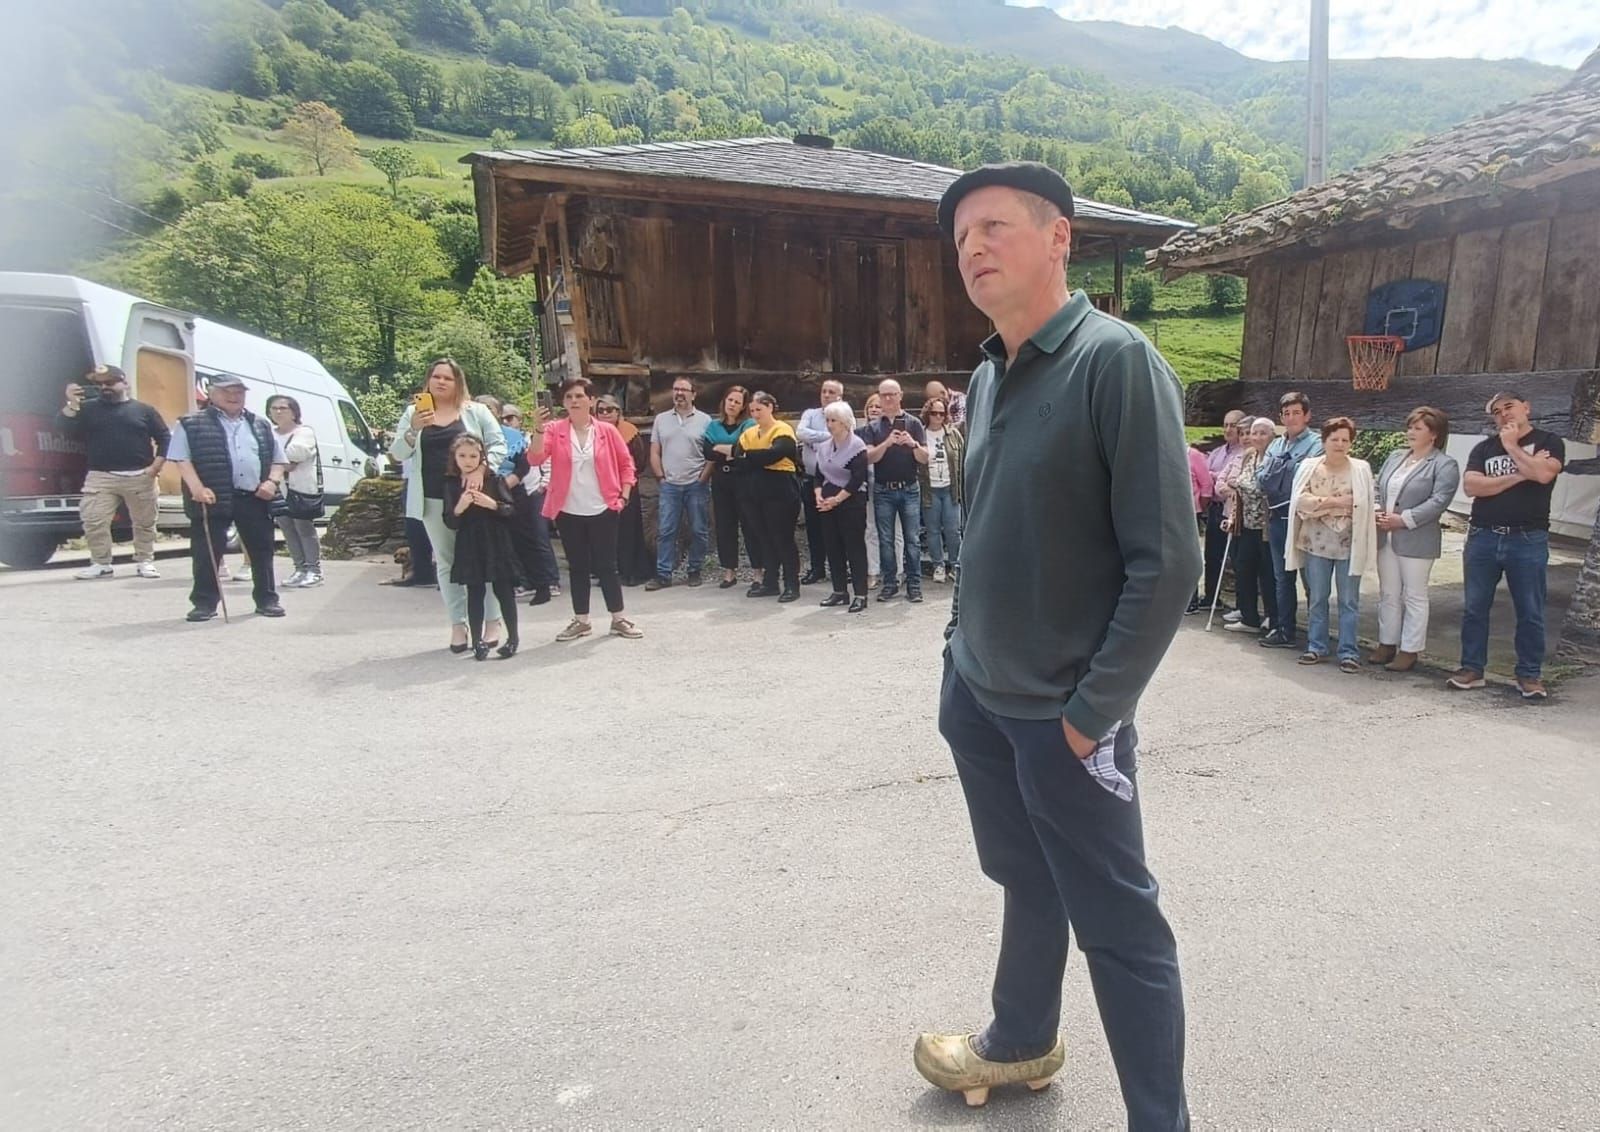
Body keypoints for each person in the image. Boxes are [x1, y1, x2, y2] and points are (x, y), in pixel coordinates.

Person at [918, 162, 1198, 1126]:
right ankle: (1020, 1040)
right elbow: (988, 520)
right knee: (1021, 874)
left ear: (1060, 238)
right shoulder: (989, 373)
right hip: (980, 696)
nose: (974, 249)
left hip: (1064, 718)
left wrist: (1092, 717)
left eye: (995, 227)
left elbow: (1166, 562)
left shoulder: (1115, 361)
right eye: (961, 238)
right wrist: (959, 650)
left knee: (1121, 929)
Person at [1449, 392, 1566, 698]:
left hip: (1527, 538)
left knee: (1530, 609)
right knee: (1475, 607)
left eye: (1509, 407)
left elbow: (1543, 474)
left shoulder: (1549, 442)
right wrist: (1520, 474)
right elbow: (1473, 486)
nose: (1504, 415)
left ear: (1526, 407)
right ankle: (1472, 668)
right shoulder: (1484, 447)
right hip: (1483, 535)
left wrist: (1513, 446)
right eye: (1497, 412)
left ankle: (1528, 674)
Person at [388, 358, 507, 653]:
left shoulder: (475, 412)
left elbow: (499, 444)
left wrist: (482, 469)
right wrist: (413, 429)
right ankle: (458, 624)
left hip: (471, 494)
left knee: (483, 557)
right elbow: (397, 454)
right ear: (428, 380)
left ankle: (493, 620)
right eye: (436, 377)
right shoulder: (413, 413)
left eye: (448, 378)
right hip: (432, 498)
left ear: (458, 383)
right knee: (447, 562)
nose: (441, 382)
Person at [528, 378, 643, 642]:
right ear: (563, 402)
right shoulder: (554, 430)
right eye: (569, 397)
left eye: (580, 396)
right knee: (578, 567)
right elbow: (534, 458)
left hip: (603, 507)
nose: (575, 401)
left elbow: (627, 465)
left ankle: (618, 618)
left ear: (591, 400)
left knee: (607, 566)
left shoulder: (606, 431)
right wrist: (537, 430)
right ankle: (581, 620)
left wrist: (623, 496)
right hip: (568, 510)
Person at [167, 374, 287, 622]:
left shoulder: (260, 424)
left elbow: (278, 460)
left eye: (239, 392)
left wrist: (271, 482)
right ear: (211, 393)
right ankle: (204, 603)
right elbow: (182, 459)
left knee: (262, 550)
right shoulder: (191, 423)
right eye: (227, 392)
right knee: (207, 551)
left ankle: (267, 599)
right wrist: (197, 488)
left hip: (253, 495)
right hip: (212, 496)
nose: (234, 397)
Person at [59, 363, 171, 580]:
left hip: (140, 475)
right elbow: (63, 428)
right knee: (93, 519)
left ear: (124, 383)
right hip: (100, 475)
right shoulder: (88, 408)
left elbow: (165, 438)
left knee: (144, 522)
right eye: (99, 384)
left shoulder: (144, 410)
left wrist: (155, 467)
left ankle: (145, 560)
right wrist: (71, 403)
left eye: (110, 383)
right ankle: (101, 562)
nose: (104, 388)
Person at [1370, 407, 1461, 671]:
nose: (1410, 432)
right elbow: (1378, 486)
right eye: (1410, 426)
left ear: (1433, 434)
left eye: (1418, 428)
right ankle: (1386, 642)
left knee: (1414, 595)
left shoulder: (1444, 464)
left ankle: (1410, 649)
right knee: (1388, 592)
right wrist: (1378, 510)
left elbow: (1440, 500)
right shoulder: (1396, 456)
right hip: (1385, 535)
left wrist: (1403, 519)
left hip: (1416, 538)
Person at [1285, 417, 1376, 671]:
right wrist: (1335, 502)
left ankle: (1348, 651)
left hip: (1349, 543)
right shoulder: (1310, 466)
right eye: (1334, 439)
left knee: (1349, 599)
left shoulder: (1360, 469)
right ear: (1324, 440)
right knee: (1318, 596)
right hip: (1316, 542)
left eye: (1345, 440)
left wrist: (1321, 504)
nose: (1339, 444)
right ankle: (1317, 646)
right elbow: (1301, 501)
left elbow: (1362, 504)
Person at [442, 434, 521, 660]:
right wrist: (461, 506)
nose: (468, 461)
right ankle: (477, 640)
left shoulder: (494, 480)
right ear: (454, 458)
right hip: (470, 541)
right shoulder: (450, 483)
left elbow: (510, 511)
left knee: (503, 591)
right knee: (475, 591)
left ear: (481, 457)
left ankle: (513, 638)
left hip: (496, 540)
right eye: (462, 456)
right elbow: (450, 520)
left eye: (473, 456)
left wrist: (493, 504)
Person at [1256, 391, 1323, 649]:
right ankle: (1284, 629)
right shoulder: (1275, 445)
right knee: (1282, 577)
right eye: (1286, 413)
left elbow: (1306, 479)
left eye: (1296, 412)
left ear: (1307, 415)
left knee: (1310, 578)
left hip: (1304, 518)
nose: (1291, 417)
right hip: (1277, 517)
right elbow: (1262, 479)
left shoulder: (1316, 444)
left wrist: (1280, 473)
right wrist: (1284, 471)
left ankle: (1316, 636)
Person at [861, 378, 929, 602]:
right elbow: (869, 457)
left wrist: (913, 444)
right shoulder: (872, 427)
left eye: (892, 394)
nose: (888, 399)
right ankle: (890, 583)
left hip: (909, 488)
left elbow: (925, 458)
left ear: (901, 396)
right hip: (883, 489)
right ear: (879, 397)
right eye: (884, 395)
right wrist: (887, 443)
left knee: (912, 539)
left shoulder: (914, 423)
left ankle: (914, 586)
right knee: (886, 539)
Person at [732, 391, 801, 601]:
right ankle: (771, 582)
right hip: (754, 492)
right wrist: (759, 458)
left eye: (759, 410)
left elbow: (779, 452)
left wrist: (750, 457)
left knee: (783, 537)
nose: (755, 414)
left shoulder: (783, 429)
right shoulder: (749, 433)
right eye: (752, 410)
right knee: (764, 538)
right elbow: (737, 459)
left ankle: (791, 584)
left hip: (780, 489)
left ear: (770, 407)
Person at [647, 378, 712, 590]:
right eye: (676, 389)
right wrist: (660, 477)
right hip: (670, 485)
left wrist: (703, 477)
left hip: (696, 484)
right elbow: (655, 451)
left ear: (694, 394)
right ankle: (663, 574)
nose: (679, 393)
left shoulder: (705, 420)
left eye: (684, 390)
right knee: (666, 530)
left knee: (699, 529)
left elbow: (711, 454)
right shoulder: (661, 420)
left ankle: (694, 570)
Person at [1222, 418, 1279, 635]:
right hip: (1245, 524)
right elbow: (1237, 487)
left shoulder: (1274, 459)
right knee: (1244, 568)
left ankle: (1273, 618)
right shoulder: (1249, 456)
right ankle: (1249, 617)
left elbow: (1266, 488)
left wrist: (1238, 485)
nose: (1256, 437)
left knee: (1268, 573)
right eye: (1254, 433)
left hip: (1266, 526)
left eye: (1263, 433)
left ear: (1272, 436)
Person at [813, 400, 870, 612]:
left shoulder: (857, 447)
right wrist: (819, 495)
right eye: (827, 420)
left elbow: (857, 479)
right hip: (827, 503)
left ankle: (861, 594)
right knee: (832, 547)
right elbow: (818, 475)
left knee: (854, 548)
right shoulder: (824, 447)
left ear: (845, 422)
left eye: (833, 420)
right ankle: (839, 591)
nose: (829, 424)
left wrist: (837, 499)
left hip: (851, 503)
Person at [702, 385, 760, 588]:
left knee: (750, 525)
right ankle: (729, 571)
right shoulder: (713, 425)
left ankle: (757, 573)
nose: (732, 404)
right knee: (725, 526)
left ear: (743, 406)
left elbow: (745, 450)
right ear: (724, 401)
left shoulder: (749, 424)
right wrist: (731, 451)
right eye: (730, 400)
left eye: (737, 402)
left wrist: (726, 450)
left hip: (743, 479)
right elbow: (708, 452)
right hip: (721, 481)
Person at [265, 395, 323, 589]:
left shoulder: (304, 432)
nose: (278, 412)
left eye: (283, 408)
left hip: (299, 489)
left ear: (294, 411)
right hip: (277, 489)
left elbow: (295, 456)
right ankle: (299, 568)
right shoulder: (270, 433)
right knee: (287, 529)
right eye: (274, 408)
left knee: (303, 528)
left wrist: (275, 458)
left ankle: (314, 570)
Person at [598, 395, 654, 587]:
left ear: (618, 412)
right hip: (601, 490)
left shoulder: (629, 432)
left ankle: (631, 571)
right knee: (606, 534)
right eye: (601, 410)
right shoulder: (592, 433)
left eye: (610, 410)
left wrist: (624, 483)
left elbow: (639, 459)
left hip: (626, 488)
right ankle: (610, 572)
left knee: (628, 531)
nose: (605, 414)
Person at [505, 421, 562, 606]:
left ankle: (545, 583)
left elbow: (526, 466)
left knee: (532, 539)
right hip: (488, 490)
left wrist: (503, 486)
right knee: (506, 543)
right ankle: (518, 582)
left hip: (520, 492)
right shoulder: (471, 434)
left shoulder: (515, 438)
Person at [795, 379, 845, 585]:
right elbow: (800, 433)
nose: (826, 395)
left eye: (831, 392)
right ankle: (817, 568)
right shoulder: (810, 414)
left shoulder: (845, 415)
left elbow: (845, 437)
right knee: (814, 527)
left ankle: (840, 569)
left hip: (835, 482)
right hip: (810, 478)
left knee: (837, 527)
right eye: (824, 391)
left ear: (839, 397)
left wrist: (814, 440)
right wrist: (829, 437)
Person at [1201, 411, 1246, 611]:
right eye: (1226, 425)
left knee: (1237, 557)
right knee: (1212, 554)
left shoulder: (1244, 452)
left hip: (1233, 510)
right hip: (1215, 508)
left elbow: (1227, 479)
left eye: (1233, 425)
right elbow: (1206, 477)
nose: (1228, 429)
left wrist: (1212, 476)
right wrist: (1213, 476)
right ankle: (1211, 597)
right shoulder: (1218, 452)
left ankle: (1241, 604)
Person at [918, 396, 965, 583]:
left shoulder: (953, 434)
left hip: (950, 488)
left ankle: (955, 565)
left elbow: (962, 459)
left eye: (941, 413)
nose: (937, 416)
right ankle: (938, 564)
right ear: (927, 414)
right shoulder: (920, 434)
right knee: (933, 529)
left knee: (953, 529)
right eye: (934, 413)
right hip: (930, 489)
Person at [858, 392, 902, 588]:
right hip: (869, 485)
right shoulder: (859, 434)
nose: (874, 409)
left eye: (878, 406)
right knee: (871, 529)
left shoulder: (892, 432)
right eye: (870, 407)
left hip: (890, 484)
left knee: (896, 531)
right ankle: (873, 571)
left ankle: (898, 570)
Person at [1184, 445, 1215, 613]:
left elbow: (1206, 485)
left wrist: (1198, 508)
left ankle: (1191, 600)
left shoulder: (1193, 455)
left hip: (1190, 514)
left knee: (1187, 557)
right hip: (1166, 513)